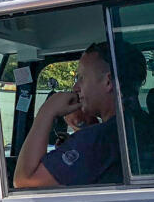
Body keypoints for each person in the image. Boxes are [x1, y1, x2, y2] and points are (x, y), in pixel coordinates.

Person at [13, 41, 144, 189]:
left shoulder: (96, 140)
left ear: (108, 82)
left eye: (81, 78)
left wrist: (47, 110)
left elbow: (25, 182)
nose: (76, 87)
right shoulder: (144, 126)